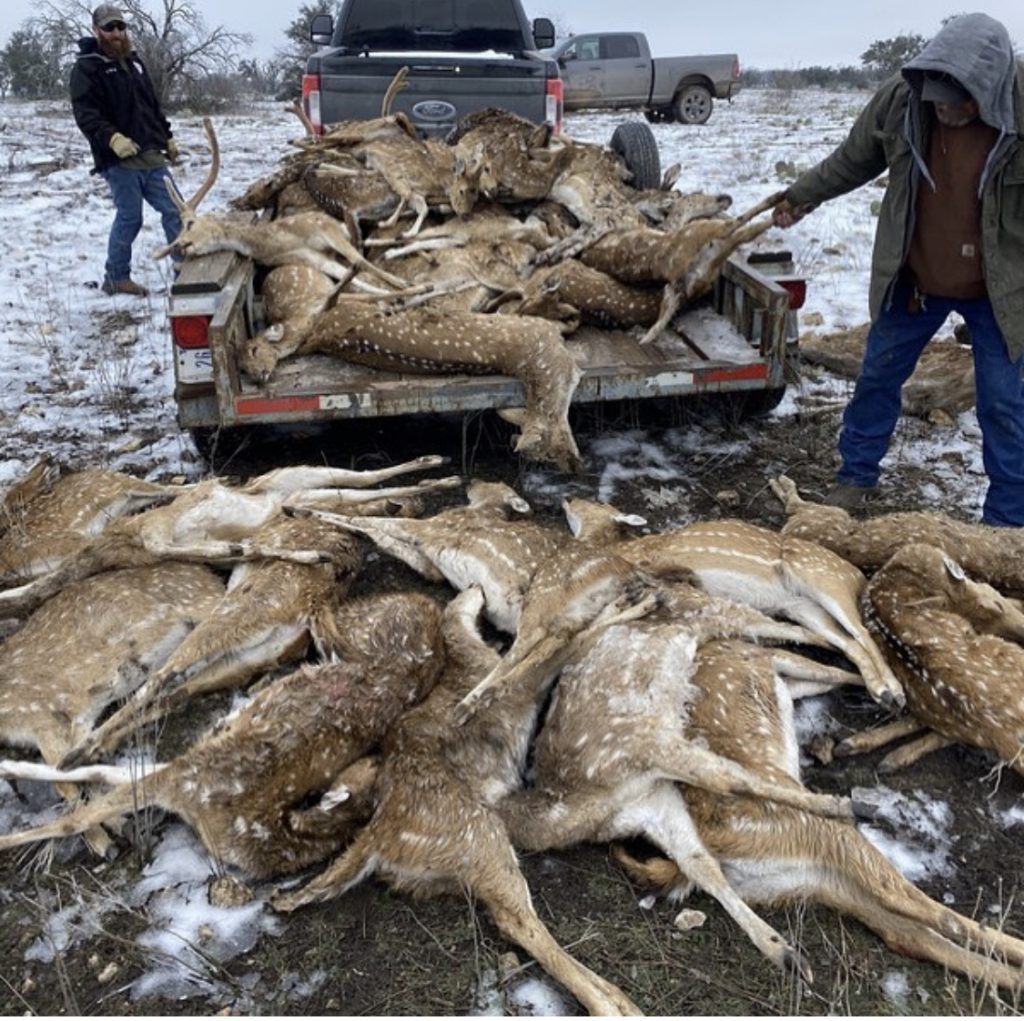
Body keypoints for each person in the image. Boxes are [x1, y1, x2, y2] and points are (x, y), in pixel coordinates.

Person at [772, 13, 1024, 527]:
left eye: (960, 99)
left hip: (1001, 290)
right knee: (877, 376)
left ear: (991, 84)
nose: (947, 109)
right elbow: (852, 158)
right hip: (915, 282)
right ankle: (855, 478)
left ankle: (1006, 523)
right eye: (939, 97)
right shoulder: (902, 98)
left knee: (1003, 405)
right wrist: (801, 197)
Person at [70, 3, 182, 297]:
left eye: (121, 27)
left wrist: (167, 137)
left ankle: (186, 270)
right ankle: (116, 277)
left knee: (176, 210)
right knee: (131, 218)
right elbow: (86, 114)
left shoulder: (134, 62)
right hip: (118, 161)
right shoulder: (87, 67)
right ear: (97, 30)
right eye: (110, 28)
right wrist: (112, 139)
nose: (117, 33)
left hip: (150, 154)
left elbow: (151, 107)